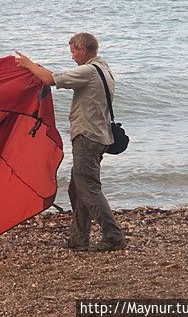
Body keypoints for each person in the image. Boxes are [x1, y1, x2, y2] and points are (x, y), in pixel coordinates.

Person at [15, 32, 126, 252]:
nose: (72, 56)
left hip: (87, 137)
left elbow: (51, 79)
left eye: (73, 51)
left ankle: (113, 237)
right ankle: (78, 239)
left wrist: (27, 65)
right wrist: (37, 68)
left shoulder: (88, 71)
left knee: (89, 189)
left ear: (83, 49)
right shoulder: (103, 68)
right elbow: (54, 75)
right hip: (99, 135)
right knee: (78, 189)